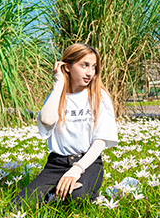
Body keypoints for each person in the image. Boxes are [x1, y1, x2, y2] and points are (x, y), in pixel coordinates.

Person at [11, 43, 119, 208]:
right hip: (56, 163)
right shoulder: (56, 96)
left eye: (94, 66)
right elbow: (47, 120)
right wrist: (59, 84)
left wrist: (77, 169)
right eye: (84, 65)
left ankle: (70, 191)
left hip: (88, 162)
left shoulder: (100, 96)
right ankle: (55, 191)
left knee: (77, 197)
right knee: (18, 207)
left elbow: (100, 141)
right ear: (67, 67)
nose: (90, 72)